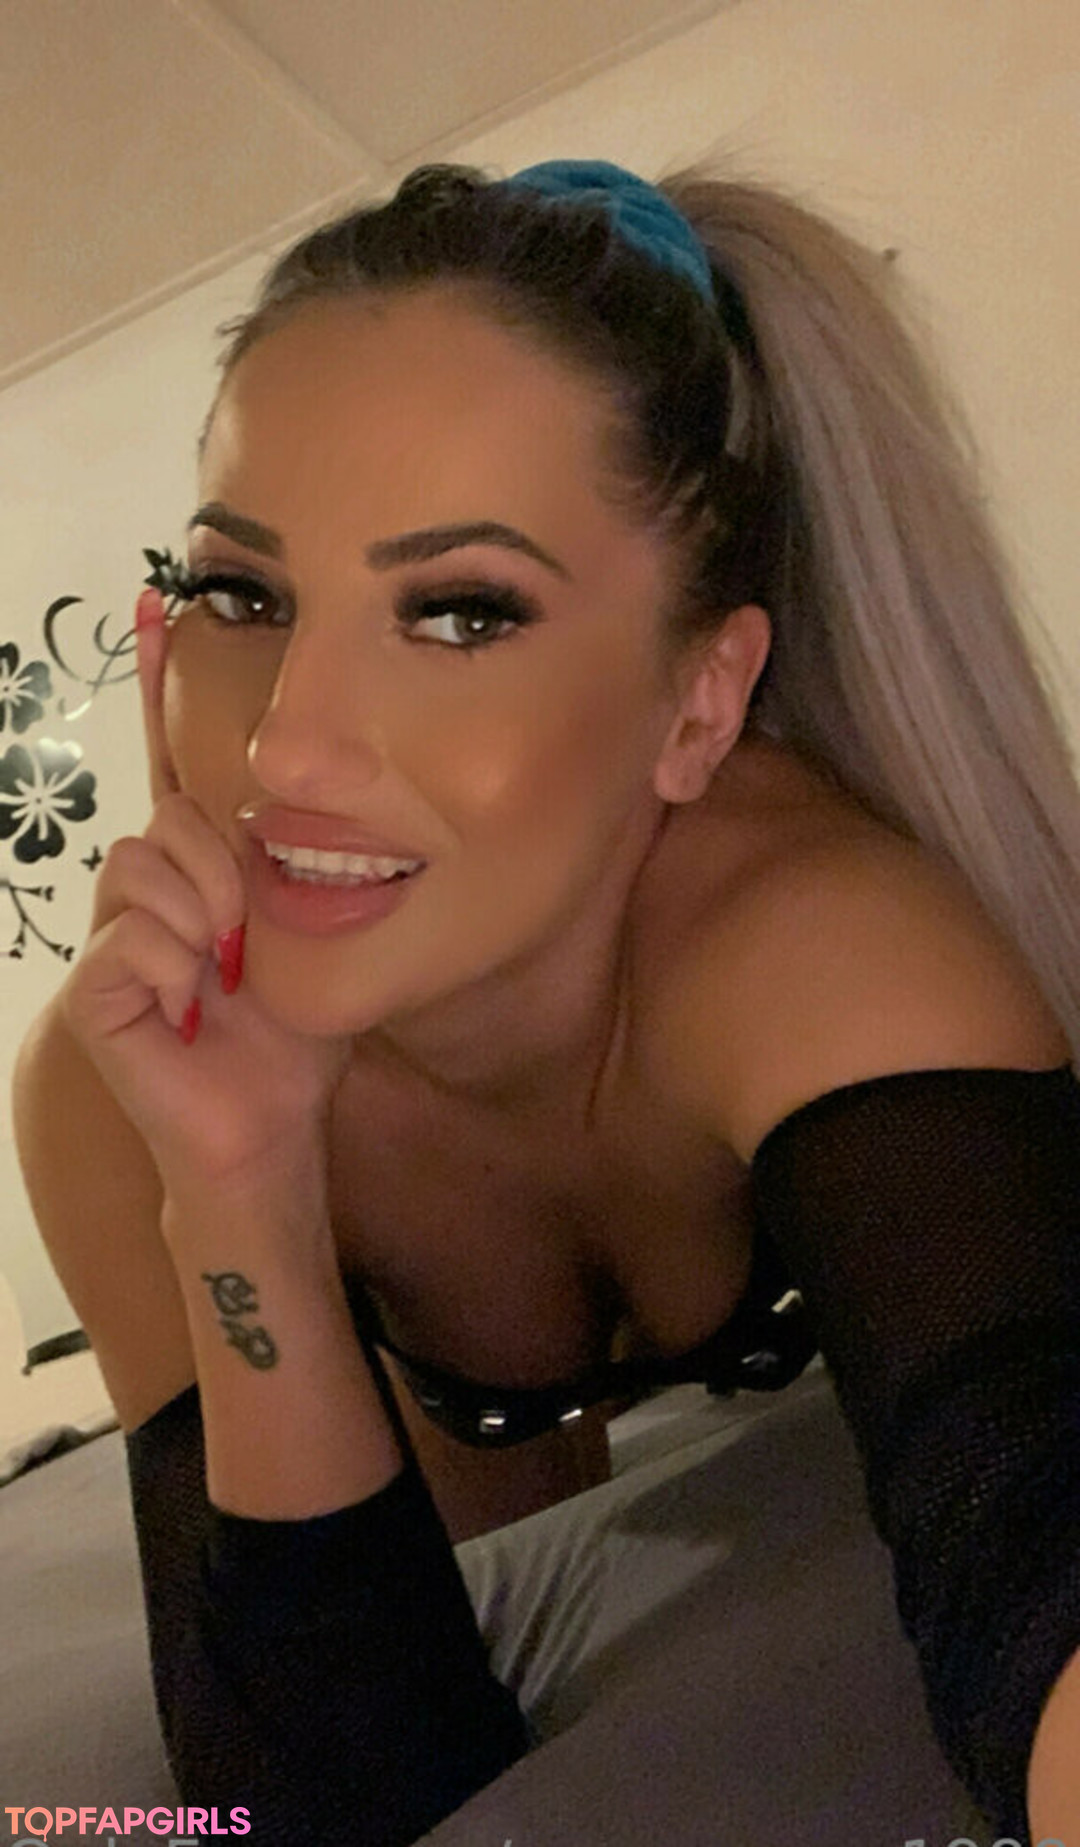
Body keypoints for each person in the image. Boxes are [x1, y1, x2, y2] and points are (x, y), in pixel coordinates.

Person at [11, 157, 1080, 1844]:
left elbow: (1032, 1546)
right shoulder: (112, 1077)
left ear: (699, 705)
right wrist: (239, 1186)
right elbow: (310, 1802)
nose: (286, 745)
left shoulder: (810, 940)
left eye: (459, 613)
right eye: (243, 594)